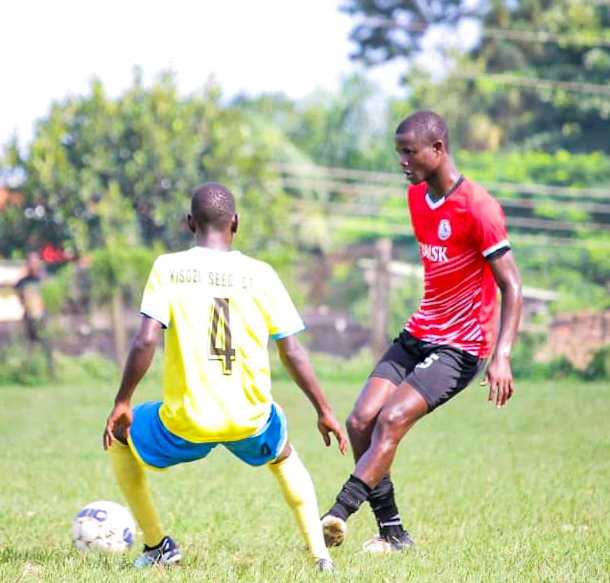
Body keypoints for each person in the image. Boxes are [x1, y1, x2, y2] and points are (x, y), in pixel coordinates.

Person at [103, 182, 348, 572]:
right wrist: (324, 409)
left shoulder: (169, 268)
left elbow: (146, 338)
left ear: (189, 223)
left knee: (120, 436)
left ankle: (156, 545)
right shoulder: (261, 274)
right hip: (250, 419)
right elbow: (291, 349)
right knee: (283, 454)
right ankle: (320, 556)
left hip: (186, 421)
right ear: (236, 222)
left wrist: (123, 401)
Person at [321, 111, 523, 554]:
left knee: (391, 419)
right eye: (399, 153)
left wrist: (502, 354)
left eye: (409, 152)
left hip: (462, 346)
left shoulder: (479, 207)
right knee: (359, 421)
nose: (403, 162)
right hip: (420, 332)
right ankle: (393, 534)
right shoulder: (416, 198)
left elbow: (512, 285)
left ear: (438, 149)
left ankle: (338, 512)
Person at [14, 251, 55, 377]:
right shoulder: (24, 281)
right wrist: (24, 301)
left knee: (46, 343)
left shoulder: (44, 279)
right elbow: (18, 292)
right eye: (31, 262)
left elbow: (51, 294)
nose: (33, 265)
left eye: (35, 262)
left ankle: (50, 371)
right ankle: (27, 371)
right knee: (28, 344)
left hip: (42, 316)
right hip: (29, 315)